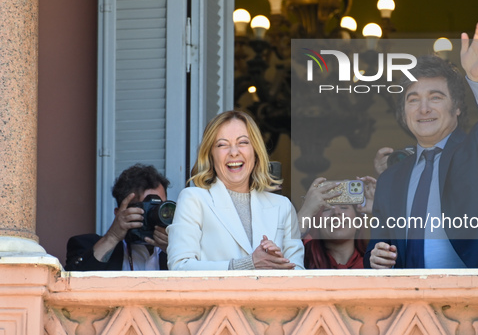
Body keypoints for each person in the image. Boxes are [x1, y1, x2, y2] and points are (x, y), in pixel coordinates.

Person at [365, 22, 478, 269]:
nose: (424, 108)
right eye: (413, 99)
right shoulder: (390, 179)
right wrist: (375, 258)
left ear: (457, 107)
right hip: (412, 303)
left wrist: (477, 78)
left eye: (435, 97)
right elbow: (377, 251)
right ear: (403, 112)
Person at [167, 110, 305, 270]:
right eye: (222, 145)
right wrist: (248, 265)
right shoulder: (193, 199)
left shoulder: (283, 206)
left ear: (255, 151)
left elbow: (299, 274)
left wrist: (278, 265)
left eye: (243, 142)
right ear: (210, 155)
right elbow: (179, 267)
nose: (234, 152)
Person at [65, 164, 171, 271]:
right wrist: (112, 237)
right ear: (119, 213)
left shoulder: (178, 251)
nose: (152, 215)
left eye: (158, 208)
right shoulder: (85, 244)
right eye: (145, 208)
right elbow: (70, 281)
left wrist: (174, 249)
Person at [299, 176, 375, 269]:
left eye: (344, 207)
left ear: (358, 223)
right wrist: (306, 211)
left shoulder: (373, 263)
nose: (336, 212)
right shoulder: (302, 259)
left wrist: (380, 211)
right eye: (327, 209)